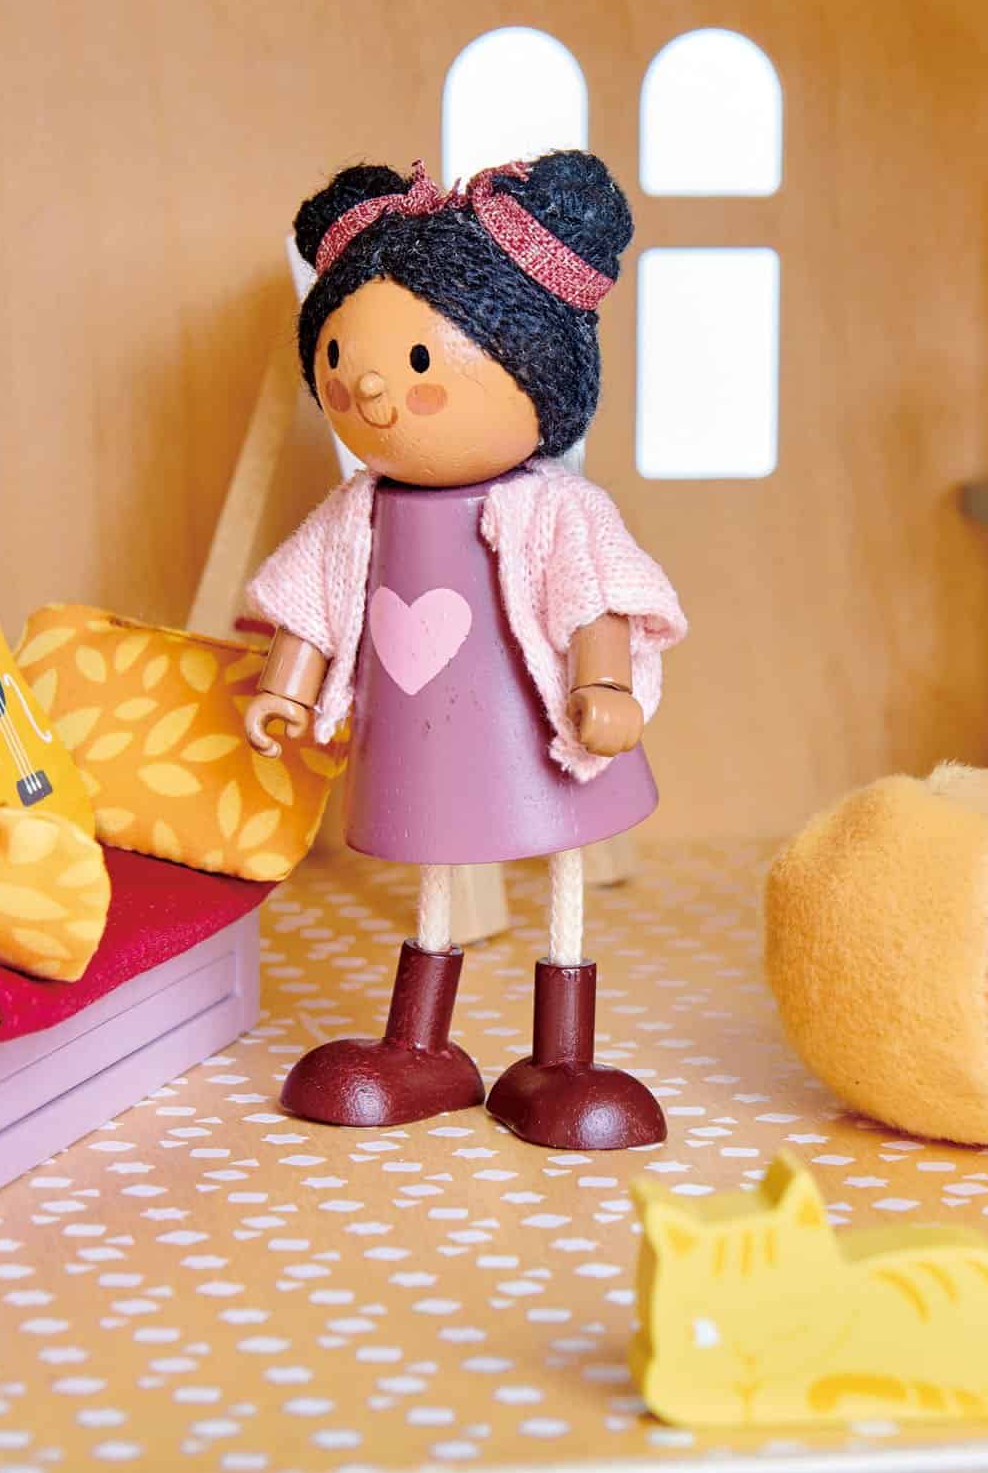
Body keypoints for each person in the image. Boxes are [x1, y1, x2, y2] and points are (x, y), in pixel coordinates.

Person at [241, 152, 688, 1149]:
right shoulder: (359, 509)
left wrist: (604, 684)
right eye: (342, 356)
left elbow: (594, 595)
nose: (367, 386)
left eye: (414, 361)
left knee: (563, 867)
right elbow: (314, 599)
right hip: (425, 734)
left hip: (542, 726)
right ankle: (419, 1048)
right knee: (434, 874)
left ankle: (561, 1061)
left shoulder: (556, 509)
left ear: (532, 362)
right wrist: (286, 686)